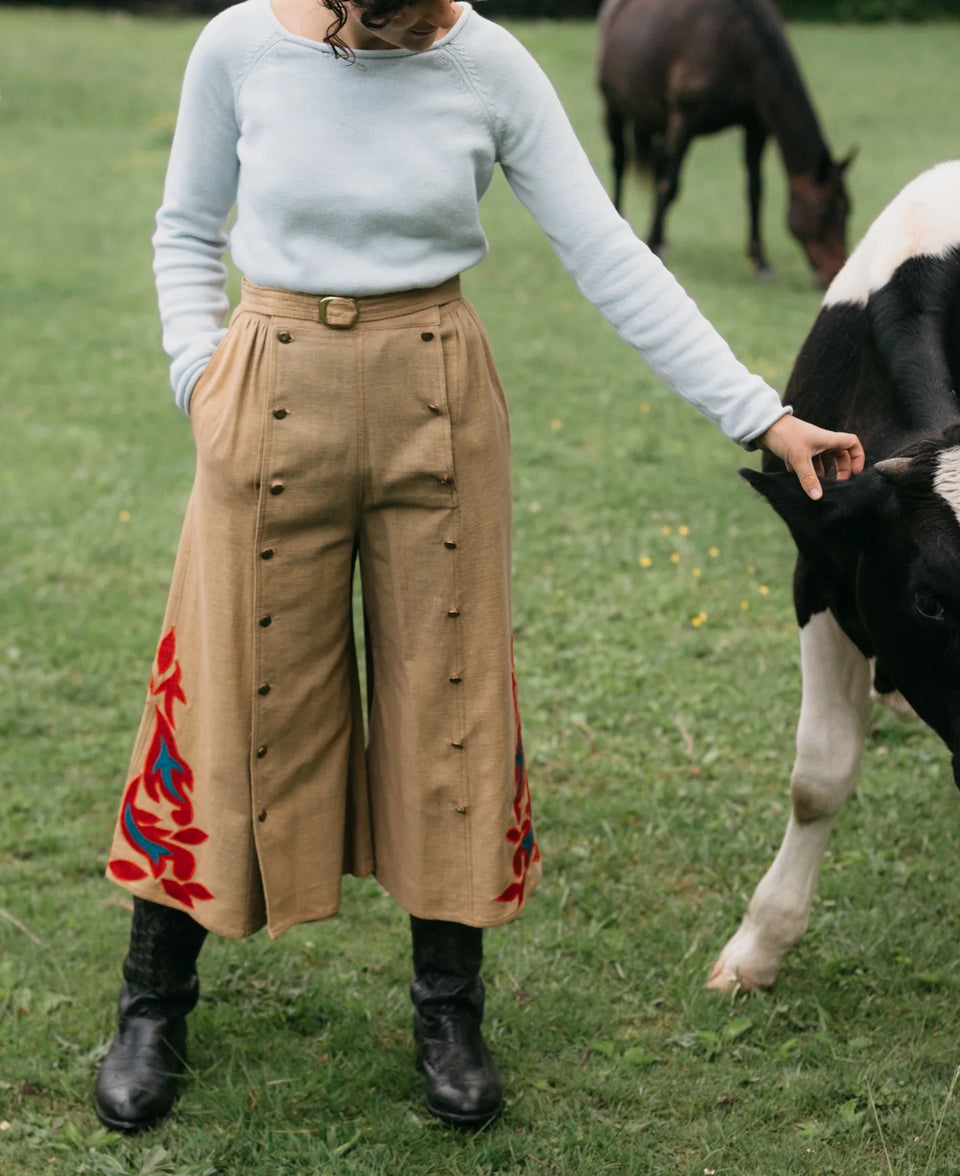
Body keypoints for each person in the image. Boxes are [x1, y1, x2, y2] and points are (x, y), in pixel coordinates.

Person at [95, 0, 864, 1136]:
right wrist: (200, 382)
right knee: (224, 688)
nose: (414, 26)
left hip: (437, 405)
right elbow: (183, 227)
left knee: (448, 702)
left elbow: (608, 250)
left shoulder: (490, 62)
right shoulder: (240, 45)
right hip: (267, 391)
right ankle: (152, 1005)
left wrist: (763, 415)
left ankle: (448, 1011)